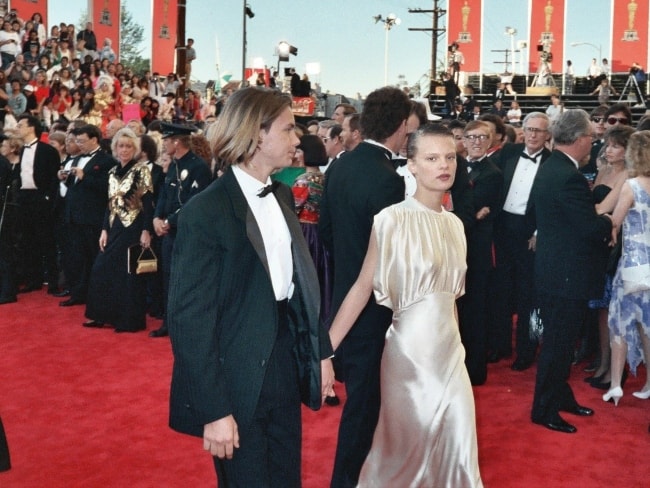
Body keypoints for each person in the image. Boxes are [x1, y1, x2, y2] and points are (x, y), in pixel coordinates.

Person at [167, 87, 334, 486]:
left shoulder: (280, 195)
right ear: (257, 135)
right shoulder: (204, 212)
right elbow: (189, 319)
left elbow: (298, 286)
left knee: (285, 478)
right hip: (234, 373)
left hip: (283, 361)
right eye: (289, 129)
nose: (298, 140)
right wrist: (214, 410)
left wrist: (321, 352)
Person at [328, 124, 482, 487]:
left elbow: (452, 300)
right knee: (405, 455)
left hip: (451, 357)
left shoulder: (456, 226)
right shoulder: (392, 219)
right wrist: (326, 350)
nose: (443, 165)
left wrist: (458, 350)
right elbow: (362, 288)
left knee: (459, 445)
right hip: (408, 357)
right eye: (431, 158)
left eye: (449, 157)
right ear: (411, 165)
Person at [319, 86, 410, 487]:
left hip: (342, 299)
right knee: (365, 408)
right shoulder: (389, 180)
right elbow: (390, 257)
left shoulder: (340, 165)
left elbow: (323, 232)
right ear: (403, 125)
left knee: (362, 402)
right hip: (374, 310)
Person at [527, 109, 612, 434]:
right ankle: (543, 409)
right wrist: (608, 221)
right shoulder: (568, 176)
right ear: (578, 139)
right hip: (565, 276)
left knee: (558, 344)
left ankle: (559, 397)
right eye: (591, 136)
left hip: (556, 271)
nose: (594, 141)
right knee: (558, 346)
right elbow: (590, 229)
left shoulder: (553, 168)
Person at [490, 113, 551, 371]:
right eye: (529, 129)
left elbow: (553, 204)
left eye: (539, 130)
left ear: (548, 135)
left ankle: (529, 349)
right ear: (523, 131)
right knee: (501, 291)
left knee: (531, 298)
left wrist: (539, 232)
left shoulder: (552, 162)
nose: (533, 135)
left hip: (531, 236)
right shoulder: (508, 153)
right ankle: (500, 345)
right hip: (503, 230)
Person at [83, 128, 154, 332]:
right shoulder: (113, 172)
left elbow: (148, 203)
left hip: (134, 226)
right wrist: (104, 229)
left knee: (128, 275)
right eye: (121, 146)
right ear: (115, 148)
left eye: (129, 146)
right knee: (102, 268)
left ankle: (129, 321)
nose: (124, 149)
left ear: (135, 148)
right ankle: (101, 315)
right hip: (114, 227)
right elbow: (110, 203)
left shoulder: (142, 170)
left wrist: (146, 230)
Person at [148, 123, 212, 338]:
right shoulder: (173, 166)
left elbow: (196, 202)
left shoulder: (198, 167)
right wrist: (156, 217)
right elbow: (164, 195)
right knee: (168, 277)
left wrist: (170, 220)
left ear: (176, 141)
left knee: (187, 278)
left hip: (188, 233)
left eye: (166, 140)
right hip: (169, 233)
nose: (164, 144)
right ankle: (169, 322)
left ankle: (187, 323)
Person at [603, 130, 650, 406]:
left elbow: (615, 220)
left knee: (619, 324)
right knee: (648, 326)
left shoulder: (632, 185)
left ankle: (616, 385)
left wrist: (608, 231)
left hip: (632, 264)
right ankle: (648, 383)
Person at [59, 124, 116, 308]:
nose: (79, 144)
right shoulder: (75, 159)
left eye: (82, 141)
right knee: (77, 258)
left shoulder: (107, 161)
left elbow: (107, 188)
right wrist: (65, 178)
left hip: (93, 218)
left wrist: (85, 177)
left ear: (94, 139)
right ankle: (78, 292)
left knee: (93, 257)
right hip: (74, 216)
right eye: (77, 141)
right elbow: (75, 188)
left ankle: (96, 295)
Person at [14, 114, 60, 294]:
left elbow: (53, 177)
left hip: (41, 198)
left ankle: (53, 282)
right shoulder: (22, 150)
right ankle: (34, 279)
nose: (17, 128)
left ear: (31, 127)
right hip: (24, 199)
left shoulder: (47, 150)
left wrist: (47, 197)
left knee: (46, 240)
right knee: (28, 240)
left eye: (20, 125)